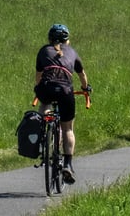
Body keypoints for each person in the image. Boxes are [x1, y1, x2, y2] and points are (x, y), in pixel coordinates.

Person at [34, 24, 91, 184]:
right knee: (68, 128)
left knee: (45, 105)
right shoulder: (72, 52)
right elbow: (82, 75)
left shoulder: (44, 50)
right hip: (66, 91)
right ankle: (67, 164)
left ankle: (42, 131)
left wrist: (37, 89)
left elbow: (38, 76)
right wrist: (86, 89)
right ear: (67, 40)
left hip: (47, 88)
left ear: (49, 39)